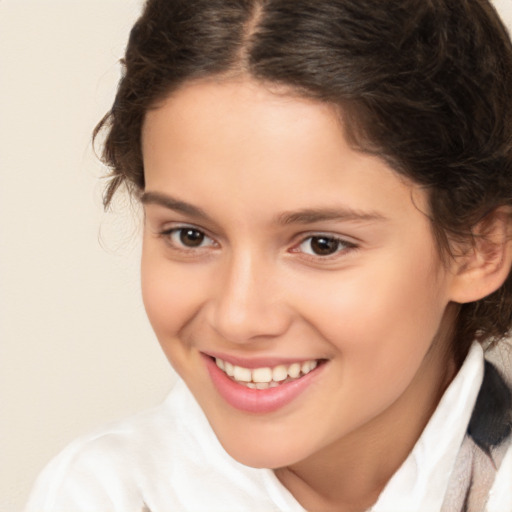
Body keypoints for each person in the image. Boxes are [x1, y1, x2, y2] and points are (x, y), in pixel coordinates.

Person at [25, 0, 512, 511]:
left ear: (479, 249)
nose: (238, 318)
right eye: (190, 235)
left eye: (322, 244)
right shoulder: (98, 495)